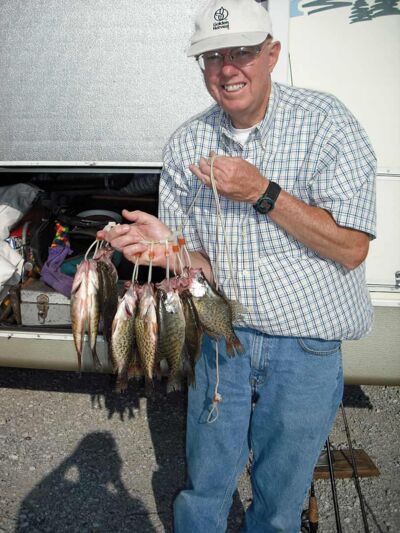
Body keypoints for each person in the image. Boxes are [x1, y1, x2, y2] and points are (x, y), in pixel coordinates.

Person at [98, 0, 376, 530]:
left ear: (272, 54)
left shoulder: (327, 125)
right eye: (212, 56)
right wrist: (168, 249)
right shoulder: (187, 144)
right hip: (223, 344)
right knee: (205, 486)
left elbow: (352, 247)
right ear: (201, 68)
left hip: (306, 348)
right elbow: (198, 265)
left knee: (280, 501)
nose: (228, 68)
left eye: (243, 51)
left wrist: (263, 192)